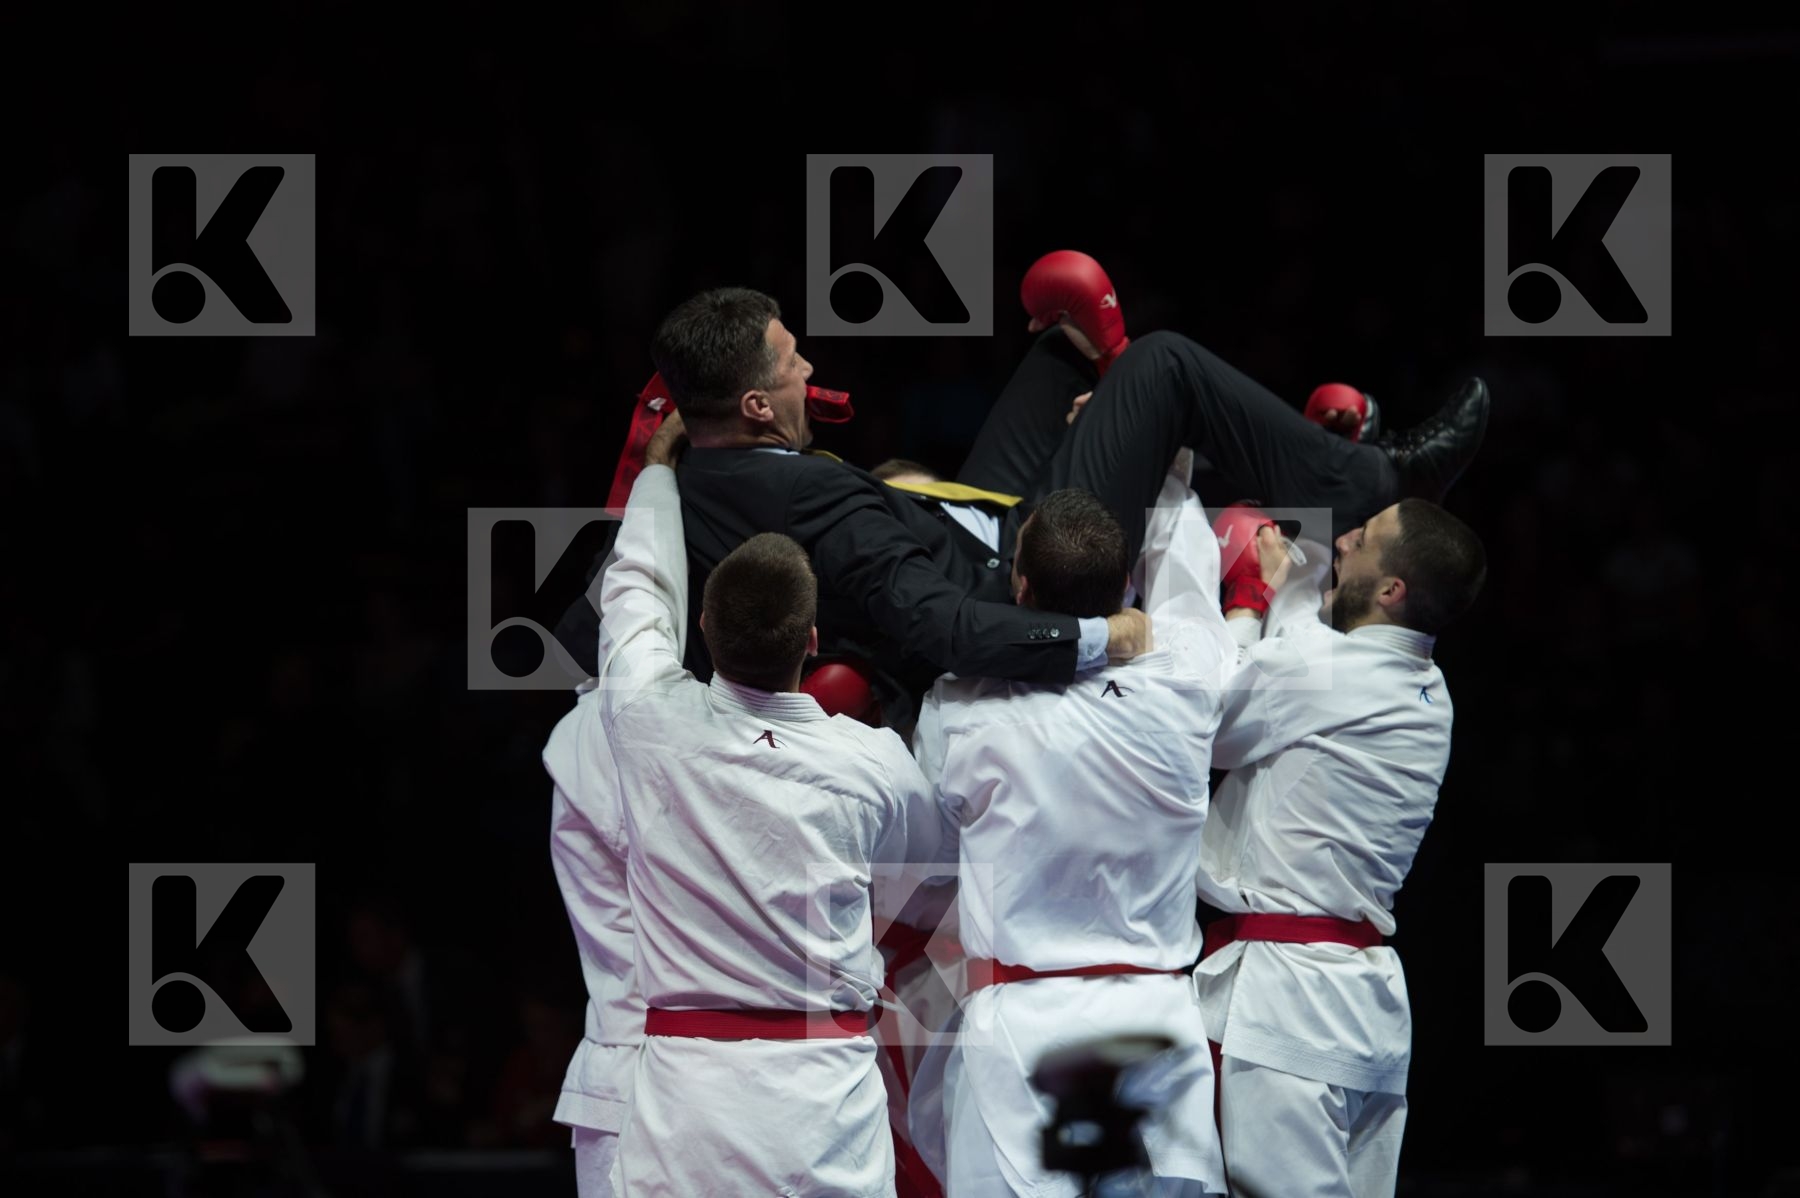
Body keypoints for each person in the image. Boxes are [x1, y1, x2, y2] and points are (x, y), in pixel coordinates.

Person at [588, 254, 1484, 703]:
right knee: (1163, 366)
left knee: (1070, 346)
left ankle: (1178, 454)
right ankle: (1377, 479)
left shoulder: (700, 466)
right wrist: (1105, 633)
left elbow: (593, 608)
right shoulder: (804, 502)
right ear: (750, 405)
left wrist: (648, 469)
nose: (806, 364)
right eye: (788, 361)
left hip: (963, 519)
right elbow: (937, 624)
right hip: (1017, 570)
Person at [586, 422, 946, 1196]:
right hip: (825, 1107)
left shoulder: (649, 719)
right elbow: (934, 883)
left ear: (705, 630)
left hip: (689, 1105)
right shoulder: (874, 761)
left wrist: (655, 470)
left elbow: (636, 587)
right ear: (813, 639)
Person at [915, 457, 1237, 1197]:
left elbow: (927, 852)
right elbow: (1191, 589)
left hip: (1022, 1042)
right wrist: (1171, 476)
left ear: (1019, 590)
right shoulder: (1187, 679)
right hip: (1159, 1032)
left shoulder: (964, 709)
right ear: (1127, 590)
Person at [1194, 496, 1487, 1198]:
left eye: (1365, 539)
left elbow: (1205, 720)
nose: (1345, 538)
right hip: (1365, 1009)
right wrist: (1290, 595)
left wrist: (1246, 598)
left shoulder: (1332, 671)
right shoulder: (1429, 690)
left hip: (1294, 1005)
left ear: (1392, 590)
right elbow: (1308, 662)